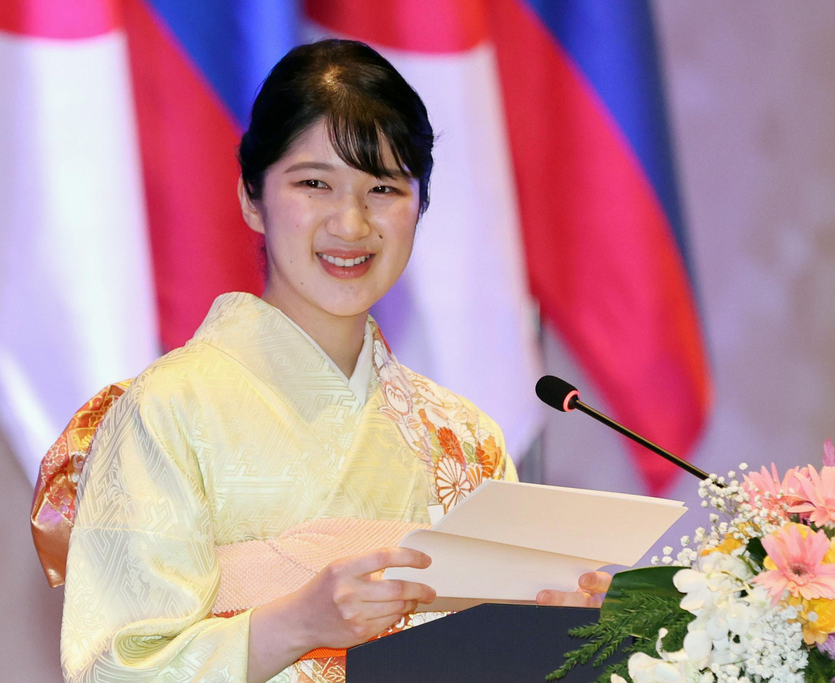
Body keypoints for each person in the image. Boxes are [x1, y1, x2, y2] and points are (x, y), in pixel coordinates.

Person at [60, 39, 608, 683]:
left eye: (384, 188)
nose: (351, 224)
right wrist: (297, 624)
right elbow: (112, 670)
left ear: (420, 207)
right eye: (314, 183)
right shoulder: (165, 410)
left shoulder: (466, 438)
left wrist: (555, 631)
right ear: (251, 198)